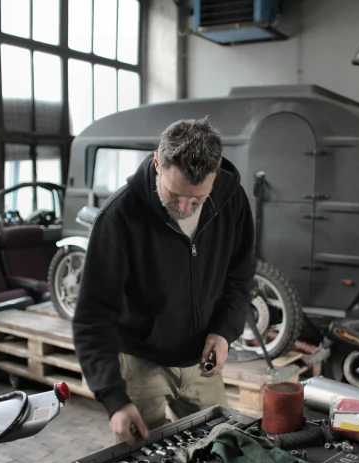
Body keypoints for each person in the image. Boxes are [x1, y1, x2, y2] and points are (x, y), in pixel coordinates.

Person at [72, 117, 256, 445]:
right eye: (174, 195)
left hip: (202, 362)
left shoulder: (232, 201)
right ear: (158, 162)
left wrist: (225, 331)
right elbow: (92, 316)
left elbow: (240, 276)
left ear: (214, 176)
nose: (184, 208)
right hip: (140, 363)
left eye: (196, 200)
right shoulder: (119, 216)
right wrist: (113, 398)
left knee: (223, 451)